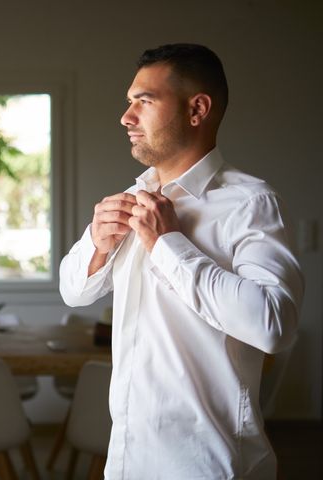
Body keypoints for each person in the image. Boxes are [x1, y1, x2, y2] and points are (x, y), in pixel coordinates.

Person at [59, 43, 304, 479]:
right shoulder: (133, 199)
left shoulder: (251, 203)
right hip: (128, 457)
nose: (126, 117)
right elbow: (74, 292)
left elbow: (273, 325)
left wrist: (169, 244)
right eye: (128, 102)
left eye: (144, 102)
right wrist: (96, 244)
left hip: (207, 463)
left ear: (197, 109)